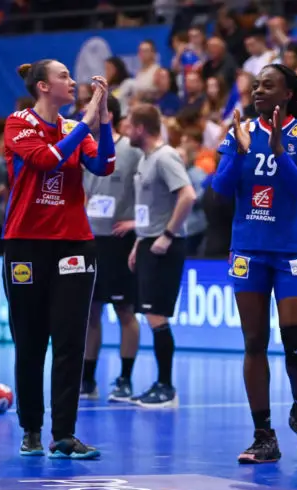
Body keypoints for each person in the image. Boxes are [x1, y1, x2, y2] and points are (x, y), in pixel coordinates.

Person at [212, 64, 297, 463]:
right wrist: (240, 152)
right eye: (257, 85)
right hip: (248, 250)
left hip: (291, 250)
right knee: (254, 342)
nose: (258, 90)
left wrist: (278, 149)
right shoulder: (239, 132)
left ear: (289, 93)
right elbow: (220, 188)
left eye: (268, 85)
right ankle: (263, 436)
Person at [2, 60, 115, 459]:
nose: (73, 81)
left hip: (73, 244)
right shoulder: (18, 123)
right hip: (26, 244)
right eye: (64, 76)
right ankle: (31, 429)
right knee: (30, 341)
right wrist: (87, 119)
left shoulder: (72, 127)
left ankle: (64, 435)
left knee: (69, 341)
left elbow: (104, 165)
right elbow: (47, 159)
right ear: (43, 86)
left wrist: (104, 122)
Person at [125, 103, 196, 408]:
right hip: (148, 243)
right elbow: (148, 209)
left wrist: (167, 234)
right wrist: (139, 242)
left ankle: (166, 387)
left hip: (163, 246)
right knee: (151, 315)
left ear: (141, 128)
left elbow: (188, 195)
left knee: (156, 316)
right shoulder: (145, 158)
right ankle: (161, 384)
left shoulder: (165, 157)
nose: (126, 130)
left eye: (129, 125)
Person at [81, 96, 142, 402]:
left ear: (108, 114)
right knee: (91, 312)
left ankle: (125, 379)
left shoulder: (131, 150)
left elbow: (149, 190)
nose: (84, 116)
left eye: (90, 111)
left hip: (119, 242)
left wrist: (137, 222)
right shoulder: (82, 147)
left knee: (124, 311)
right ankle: (87, 380)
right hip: (90, 239)